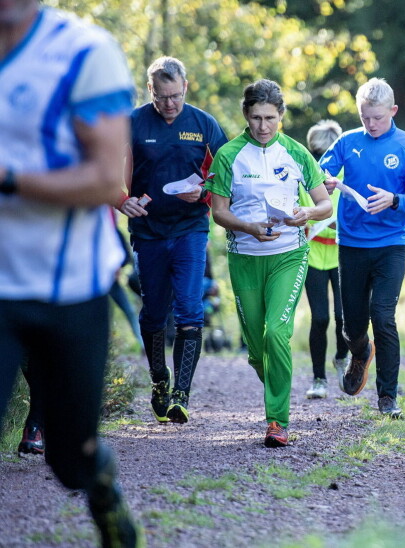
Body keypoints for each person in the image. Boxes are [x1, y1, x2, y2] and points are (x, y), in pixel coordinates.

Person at [0, 1, 142, 546]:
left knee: (70, 456)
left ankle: (102, 490)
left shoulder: (84, 52)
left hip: (70, 283)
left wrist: (11, 180)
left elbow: (109, 180)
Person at [208, 79, 331, 447]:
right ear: (246, 115)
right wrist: (248, 226)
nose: (263, 126)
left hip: (289, 255)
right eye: (257, 117)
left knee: (276, 333)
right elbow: (218, 212)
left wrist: (306, 212)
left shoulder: (295, 152)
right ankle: (277, 380)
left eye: (271, 118)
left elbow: (323, 203)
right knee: (257, 350)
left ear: (281, 116)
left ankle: (277, 421)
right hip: (245, 257)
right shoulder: (229, 155)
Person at [118, 56, 228, 424]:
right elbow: (103, 168)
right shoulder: (132, 122)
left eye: (176, 96)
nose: (169, 104)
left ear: (186, 87)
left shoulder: (203, 123)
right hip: (148, 232)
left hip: (190, 229)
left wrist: (205, 194)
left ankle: (181, 393)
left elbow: (226, 172)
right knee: (153, 313)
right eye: (162, 97)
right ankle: (160, 381)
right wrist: (122, 200)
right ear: (150, 90)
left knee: (190, 310)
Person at [319, 78, 405, 418]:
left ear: (393, 111)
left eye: (377, 117)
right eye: (365, 117)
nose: (371, 124)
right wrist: (327, 180)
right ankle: (360, 353)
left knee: (383, 315)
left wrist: (394, 200)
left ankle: (387, 399)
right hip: (350, 243)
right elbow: (321, 173)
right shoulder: (348, 141)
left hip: (391, 243)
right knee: (351, 326)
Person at [302, 120, 349, 399]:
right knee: (319, 318)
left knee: (343, 316)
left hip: (342, 252)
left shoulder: (345, 174)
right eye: (316, 152)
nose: (321, 159)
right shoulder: (306, 172)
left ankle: (341, 357)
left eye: (326, 152)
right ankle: (318, 378)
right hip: (313, 253)